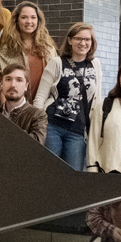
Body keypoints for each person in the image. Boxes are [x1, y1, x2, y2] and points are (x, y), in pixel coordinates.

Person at [35, 22, 102, 170]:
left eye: (87, 39)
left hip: (77, 130)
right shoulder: (57, 63)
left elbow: (97, 98)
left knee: (73, 174)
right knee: (49, 171)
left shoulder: (95, 64)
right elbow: (40, 97)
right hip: (53, 126)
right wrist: (37, 125)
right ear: (70, 40)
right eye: (78, 38)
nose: (83, 43)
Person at [0, 1, 57, 103]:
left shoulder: (48, 48)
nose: (29, 21)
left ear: (38, 20)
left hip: (44, 107)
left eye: (33, 17)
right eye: (24, 17)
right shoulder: (7, 51)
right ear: (16, 21)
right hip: (16, 109)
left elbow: (56, 80)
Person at [0, 64, 47, 143]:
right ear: (2, 84)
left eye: (19, 80)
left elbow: (36, 146)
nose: (13, 85)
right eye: (8, 79)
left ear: (26, 86)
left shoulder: (38, 116)